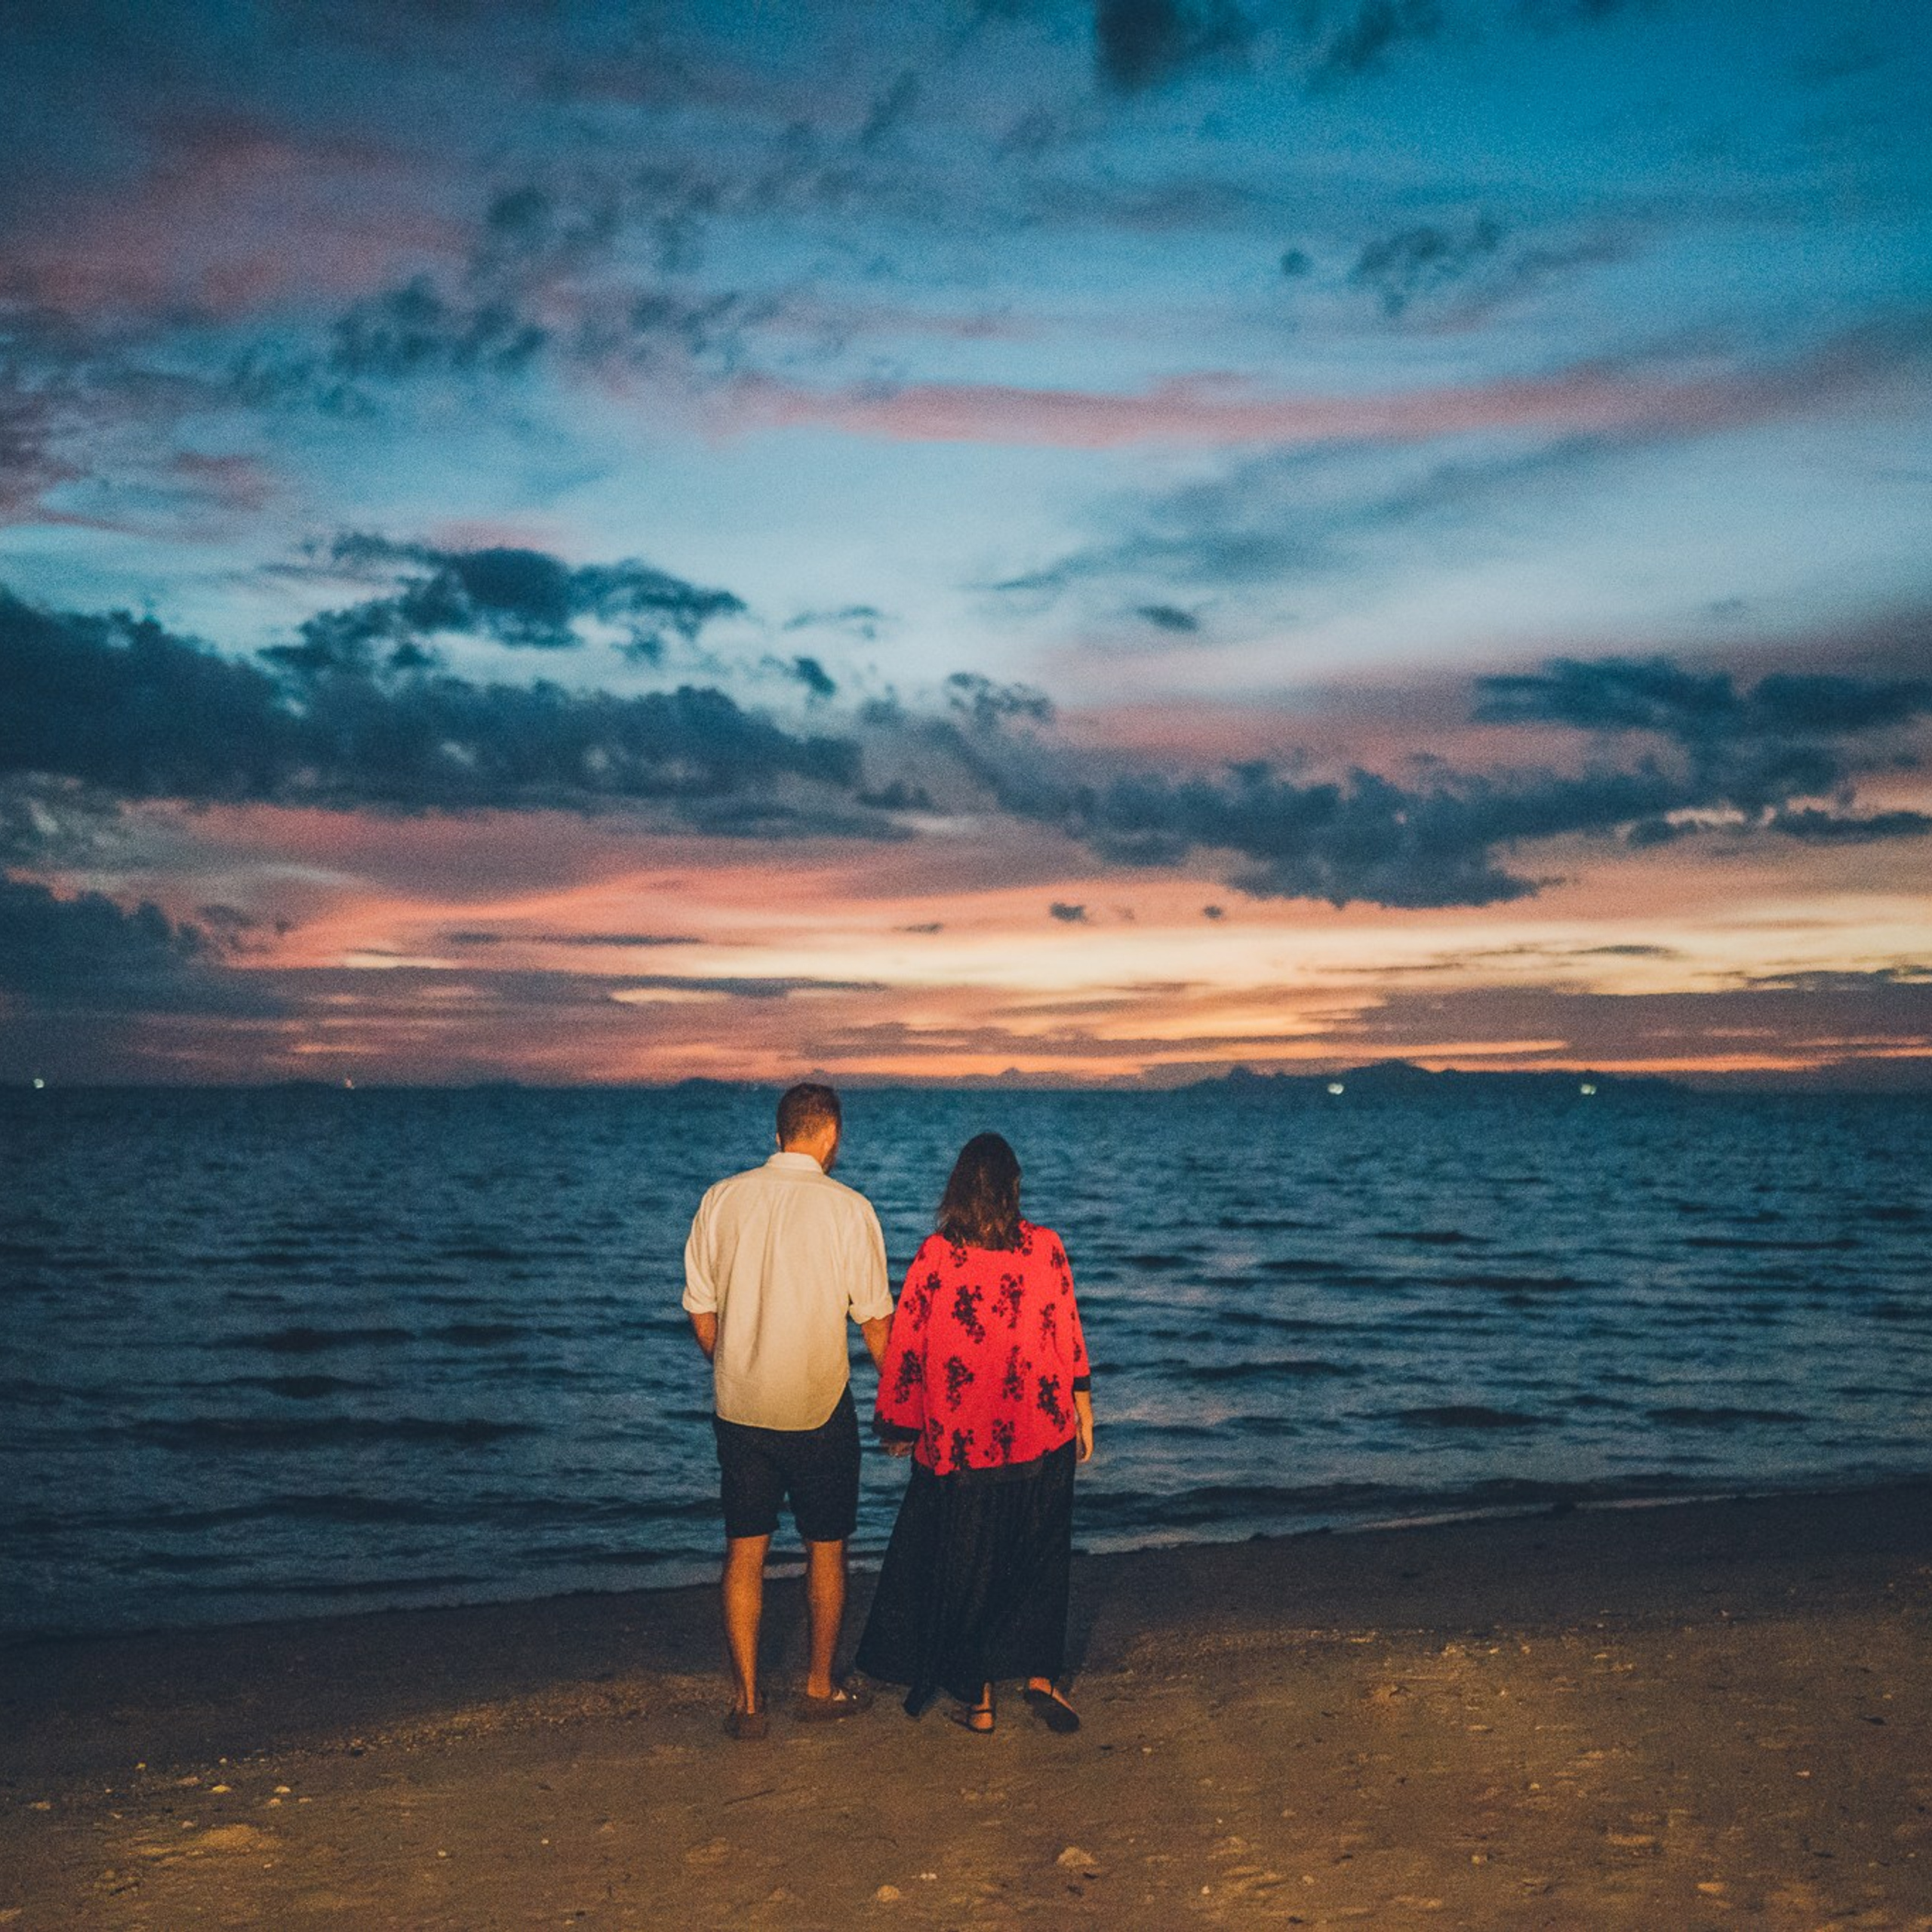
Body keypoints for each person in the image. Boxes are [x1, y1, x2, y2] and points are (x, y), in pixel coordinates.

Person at [856, 1131, 1094, 1734]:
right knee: (1039, 1557)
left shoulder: (938, 1256)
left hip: (963, 1443)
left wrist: (899, 1422)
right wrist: (1084, 1407)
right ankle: (1041, 1678)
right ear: (1014, 1189)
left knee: (968, 1565)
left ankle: (981, 1701)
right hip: (1041, 1433)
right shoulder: (1046, 1247)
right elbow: (1067, 1328)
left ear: (957, 1189)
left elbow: (909, 1342)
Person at [683, 1081, 894, 1739]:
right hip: (819, 1409)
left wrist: (735, 1360)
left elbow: (700, 1309)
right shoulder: (850, 1209)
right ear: (829, 1135)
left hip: (741, 1407)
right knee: (826, 1550)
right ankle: (818, 1687)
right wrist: (904, 1402)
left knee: (743, 1552)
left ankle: (747, 1703)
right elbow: (877, 1325)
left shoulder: (721, 1199)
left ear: (779, 1134)